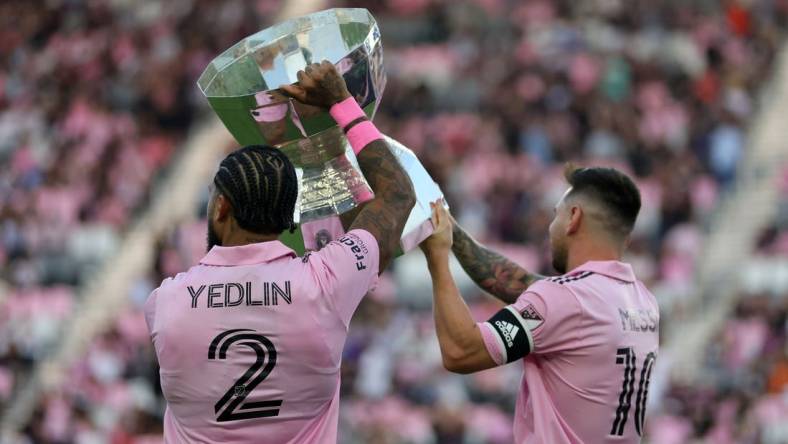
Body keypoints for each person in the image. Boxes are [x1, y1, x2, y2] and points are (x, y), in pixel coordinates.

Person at [144, 61, 415, 443]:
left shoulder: (165, 302)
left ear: (221, 207)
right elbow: (398, 197)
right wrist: (339, 110)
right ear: (292, 216)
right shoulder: (325, 282)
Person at [420, 166, 659, 443]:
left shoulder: (566, 299)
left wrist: (438, 258)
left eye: (555, 214)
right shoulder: (643, 301)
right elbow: (519, 284)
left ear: (574, 218)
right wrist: (451, 232)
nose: (550, 227)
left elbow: (460, 351)